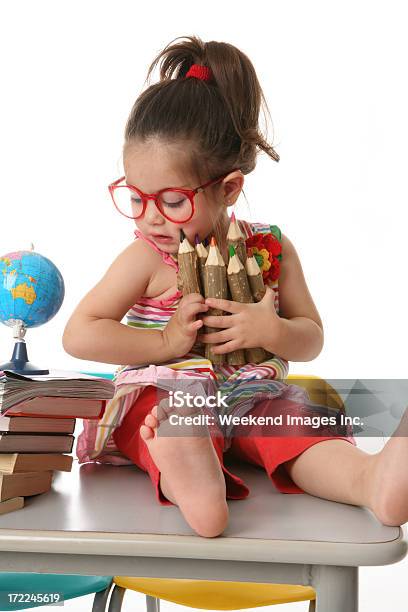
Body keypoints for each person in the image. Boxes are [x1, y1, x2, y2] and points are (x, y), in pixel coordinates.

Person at [63, 35, 408, 538]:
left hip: (252, 398)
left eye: (172, 200)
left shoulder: (270, 248)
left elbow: (311, 338)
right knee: (161, 415)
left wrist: (272, 329)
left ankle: (370, 481)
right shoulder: (144, 257)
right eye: (136, 197)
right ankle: (191, 476)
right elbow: (80, 334)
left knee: (292, 424)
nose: (151, 217)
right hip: (170, 396)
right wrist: (163, 344)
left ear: (228, 188)